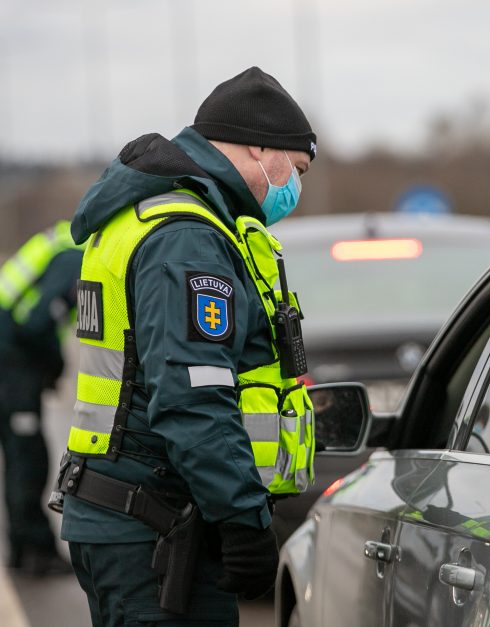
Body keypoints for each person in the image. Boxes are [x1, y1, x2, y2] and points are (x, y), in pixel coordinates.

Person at [52, 67, 317, 625]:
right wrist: (245, 521)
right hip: (152, 527)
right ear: (258, 148)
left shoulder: (153, 215)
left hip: (130, 514)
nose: (296, 186)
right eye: (295, 169)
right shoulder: (188, 238)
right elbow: (193, 396)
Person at [0, 219, 83, 575]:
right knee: (27, 452)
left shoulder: (65, 238)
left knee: (17, 451)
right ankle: (33, 550)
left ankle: (21, 546)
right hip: (11, 357)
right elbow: (36, 322)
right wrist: (56, 363)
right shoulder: (76, 257)